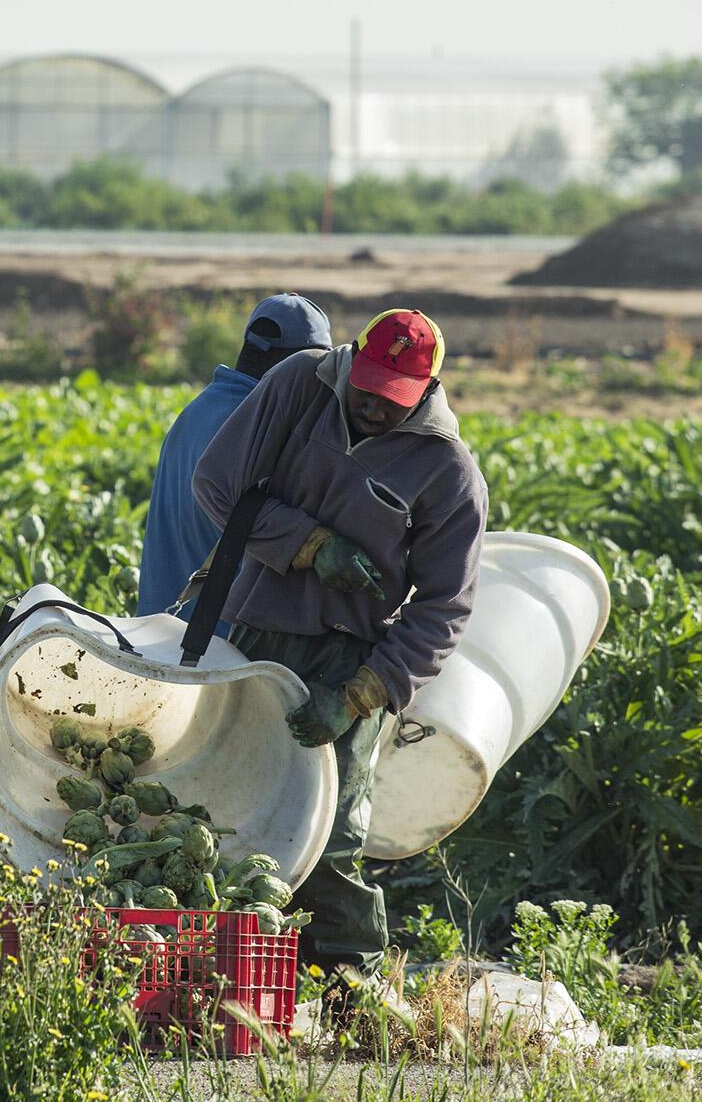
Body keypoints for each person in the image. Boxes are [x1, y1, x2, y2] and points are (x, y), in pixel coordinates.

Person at [191, 309, 486, 984]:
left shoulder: (447, 470)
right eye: (366, 386)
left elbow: (447, 606)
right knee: (224, 807)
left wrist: (359, 695)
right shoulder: (300, 385)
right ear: (352, 359)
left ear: (425, 390)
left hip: (352, 659)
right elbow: (217, 485)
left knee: (331, 834)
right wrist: (308, 545)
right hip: (258, 632)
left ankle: (351, 981)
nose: (372, 406)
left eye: (393, 399)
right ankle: (225, 974)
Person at [137, 293, 333, 623]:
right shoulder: (261, 429)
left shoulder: (196, 411)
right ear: (301, 364)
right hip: (216, 647)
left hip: (156, 630)